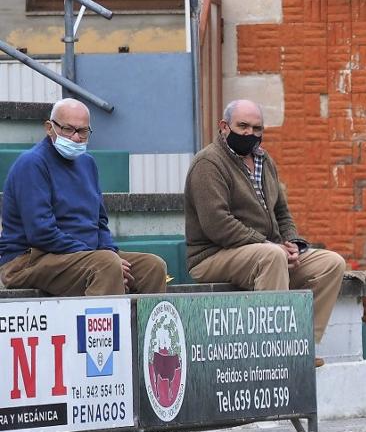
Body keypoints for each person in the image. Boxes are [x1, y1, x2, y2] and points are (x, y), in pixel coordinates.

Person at [184, 99, 347, 363]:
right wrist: (271, 246)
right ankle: (272, 353)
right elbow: (217, 224)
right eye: (243, 126)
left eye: (257, 128)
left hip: (265, 251)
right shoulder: (208, 163)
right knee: (271, 257)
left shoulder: (264, 159)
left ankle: (302, 347)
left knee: (331, 263)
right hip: (213, 256)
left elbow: (282, 211)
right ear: (224, 127)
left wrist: (291, 242)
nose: (250, 133)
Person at [0, 98, 167, 295]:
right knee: (105, 265)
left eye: (83, 131)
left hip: (84, 255)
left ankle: (135, 325)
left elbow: (100, 222)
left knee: (153, 267)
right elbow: (41, 233)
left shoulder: (87, 163)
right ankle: (101, 325)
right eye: (68, 129)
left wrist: (109, 252)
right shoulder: (32, 164)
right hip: (30, 259)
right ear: (49, 128)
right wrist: (99, 256)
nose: (76, 138)